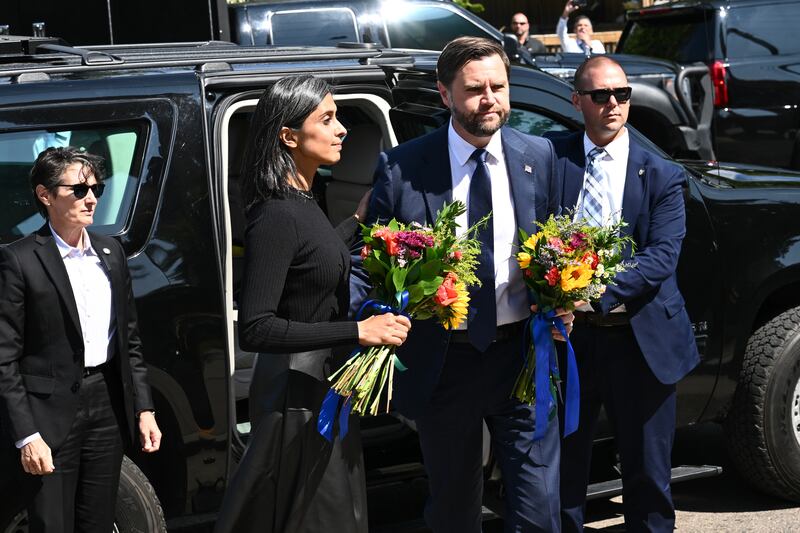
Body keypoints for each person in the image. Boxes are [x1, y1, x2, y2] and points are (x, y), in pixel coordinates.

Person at [353, 36, 570, 532]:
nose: (489, 99)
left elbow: (556, 241)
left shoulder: (539, 155)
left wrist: (563, 296)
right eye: (474, 89)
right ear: (444, 93)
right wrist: (367, 319)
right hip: (444, 362)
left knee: (540, 511)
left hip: (523, 358)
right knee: (454, 511)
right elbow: (365, 262)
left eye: (499, 86)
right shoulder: (403, 167)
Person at [213, 75, 411, 533]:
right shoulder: (276, 213)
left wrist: (357, 220)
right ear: (289, 136)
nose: (342, 129)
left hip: (319, 388)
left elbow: (312, 260)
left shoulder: (302, 199)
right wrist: (358, 331)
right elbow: (257, 328)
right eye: (327, 119)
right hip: (295, 401)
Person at [549, 56, 700, 532]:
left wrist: (588, 292)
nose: (613, 103)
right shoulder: (552, 159)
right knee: (561, 476)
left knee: (648, 478)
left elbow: (661, 257)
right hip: (567, 342)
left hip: (641, 342)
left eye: (622, 93)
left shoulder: (661, 173)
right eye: (600, 95)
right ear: (577, 101)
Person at [0, 147, 161, 533]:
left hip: (106, 404)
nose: (91, 199)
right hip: (48, 414)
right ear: (45, 195)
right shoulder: (19, 260)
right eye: (78, 190)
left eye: (96, 189)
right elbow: (4, 358)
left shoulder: (111, 252)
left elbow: (129, 340)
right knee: (52, 523)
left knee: (98, 520)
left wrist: (144, 408)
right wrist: (26, 435)